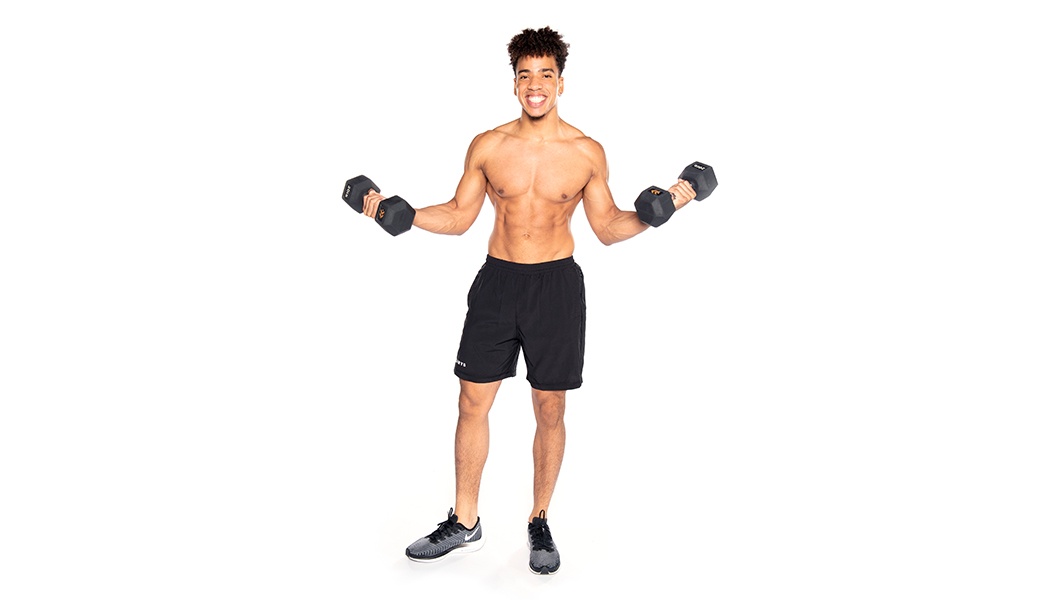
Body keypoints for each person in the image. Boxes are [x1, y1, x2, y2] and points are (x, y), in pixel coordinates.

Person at [358, 26, 697, 574]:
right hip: (498, 283)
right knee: (472, 401)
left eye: (545, 74)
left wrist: (669, 207)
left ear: (561, 82)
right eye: (524, 75)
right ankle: (465, 522)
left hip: (556, 287)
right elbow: (459, 216)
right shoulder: (488, 146)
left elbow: (608, 227)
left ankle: (539, 520)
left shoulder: (586, 152)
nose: (535, 85)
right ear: (514, 83)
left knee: (550, 406)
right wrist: (399, 214)